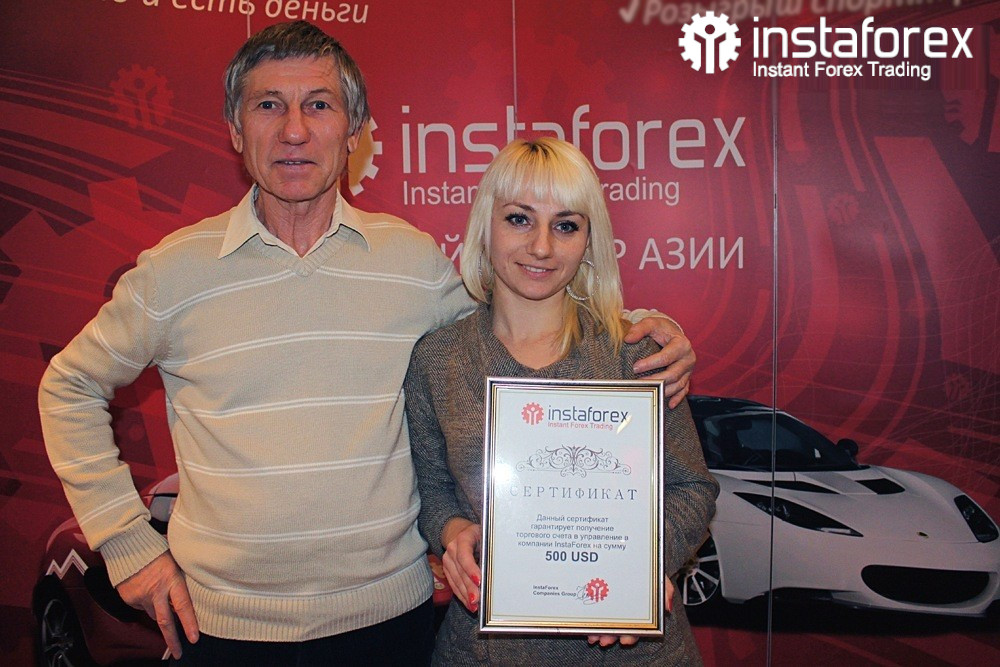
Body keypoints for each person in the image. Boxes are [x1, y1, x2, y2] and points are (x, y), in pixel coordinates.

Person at [37, 21, 695, 665]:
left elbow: (523, 310)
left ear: (354, 131)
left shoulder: (410, 263)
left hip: (389, 628)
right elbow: (68, 386)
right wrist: (128, 547)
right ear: (236, 129)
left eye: (319, 105)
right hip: (224, 631)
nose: (295, 130)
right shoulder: (173, 272)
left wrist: (638, 327)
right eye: (268, 105)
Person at [404, 137, 718, 665]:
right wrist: (452, 531)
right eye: (519, 219)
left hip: (634, 653)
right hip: (486, 652)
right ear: (486, 225)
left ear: (589, 240)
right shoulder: (439, 360)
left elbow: (692, 488)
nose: (542, 247)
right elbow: (433, 492)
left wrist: (635, 569)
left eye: (566, 225)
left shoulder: (636, 354)